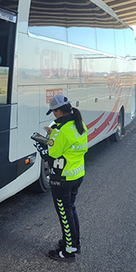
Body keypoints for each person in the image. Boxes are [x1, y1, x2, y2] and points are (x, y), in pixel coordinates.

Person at [34, 95, 88, 262]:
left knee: (65, 214)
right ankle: (73, 242)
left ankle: (68, 251)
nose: (53, 115)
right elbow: (68, 146)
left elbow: (52, 155)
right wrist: (53, 136)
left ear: (58, 110)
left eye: (53, 112)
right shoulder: (79, 124)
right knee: (71, 209)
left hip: (62, 178)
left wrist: (40, 145)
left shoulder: (60, 131)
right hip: (77, 174)